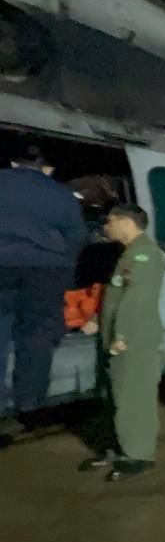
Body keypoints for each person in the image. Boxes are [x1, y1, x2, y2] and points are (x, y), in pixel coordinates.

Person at [79, 204, 165, 482]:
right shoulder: (128, 254)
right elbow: (117, 297)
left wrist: (122, 336)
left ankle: (138, 455)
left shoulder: (143, 255)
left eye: (110, 221)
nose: (106, 227)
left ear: (126, 222)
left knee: (134, 398)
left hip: (135, 339)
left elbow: (137, 301)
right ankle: (117, 448)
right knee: (116, 396)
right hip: (121, 338)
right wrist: (98, 320)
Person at [0, 145, 87, 419]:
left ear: (14, 163)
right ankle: (29, 402)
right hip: (46, 270)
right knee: (37, 335)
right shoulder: (61, 194)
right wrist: (64, 264)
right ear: (45, 167)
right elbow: (77, 234)